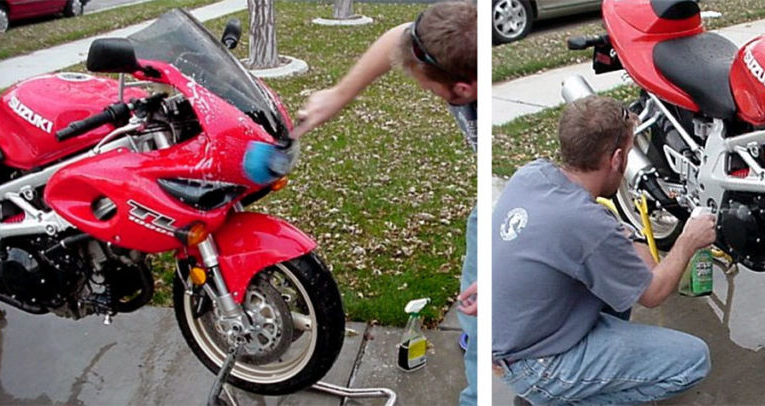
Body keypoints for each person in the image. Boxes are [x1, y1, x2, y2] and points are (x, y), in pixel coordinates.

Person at [293, 3, 478, 405]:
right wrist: (339, 96)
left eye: (426, 86)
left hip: (516, 199)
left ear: (462, 90)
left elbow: (531, 209)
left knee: (491, 293)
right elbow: (398, 39)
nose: (422, 89)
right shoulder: (468, 37)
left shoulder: (490, 108)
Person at [492, 96, 717, 405]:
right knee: (692, 361)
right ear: (615, 160)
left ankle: (564, 384)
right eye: (629, 152)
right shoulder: (585, 223)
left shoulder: (532, 175)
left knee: (616, 284)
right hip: (534, 364)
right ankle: (554, 397)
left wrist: (623, 233)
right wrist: (688, 240)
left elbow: (635, 267)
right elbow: (652, 293)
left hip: (512, 338)